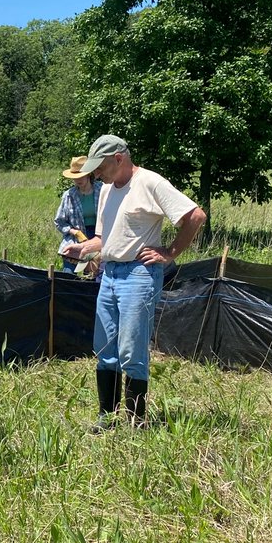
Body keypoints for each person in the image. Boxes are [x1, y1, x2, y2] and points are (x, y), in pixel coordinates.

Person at [62, 135, 206, 432]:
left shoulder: (150, 183)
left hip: (138, 275)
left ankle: (137, 421)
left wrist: (170, 252)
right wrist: (84, 249)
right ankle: (108, 418)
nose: (95, 174)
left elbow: (195, 215)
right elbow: (104, 237)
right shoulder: (105, 191)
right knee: (105, 347)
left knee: (131, 349)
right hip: (109, 273)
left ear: (119, 158)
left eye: (99, 167)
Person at [54, 155, 102, 273]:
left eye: (80, 176)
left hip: (98, 236)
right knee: (69, 274)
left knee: (94, 275)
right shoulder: (69, 195)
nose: (77, 180)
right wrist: (74, 232)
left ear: (88, 174)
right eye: (74, 177)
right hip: (75, 237)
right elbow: (59, 221)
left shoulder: (102, 190)